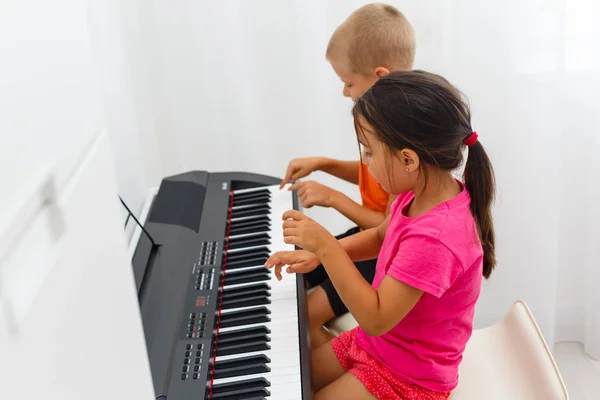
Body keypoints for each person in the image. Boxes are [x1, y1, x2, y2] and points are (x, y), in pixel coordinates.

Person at [266, 70, 496, 399]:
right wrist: (318, 256)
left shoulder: (436, 238)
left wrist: (327, 247)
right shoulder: (415, 193)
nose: (365, 164)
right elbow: (378, 238)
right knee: (295, 380)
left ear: (408, 159)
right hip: (378, 344)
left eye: (369, 152)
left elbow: (375, 318)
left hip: (409, 376)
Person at [279, 3, 417, 347]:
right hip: (366, 236)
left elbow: (387, 228)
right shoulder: (383, 124)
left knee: (303, 314)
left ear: (380, 76)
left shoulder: (405, 139)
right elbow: (371, 175)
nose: (345, 92)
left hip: (382, 255)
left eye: (348, 82)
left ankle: (333, 367)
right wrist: (324, 163)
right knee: (297, 279)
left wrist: (333, 198)